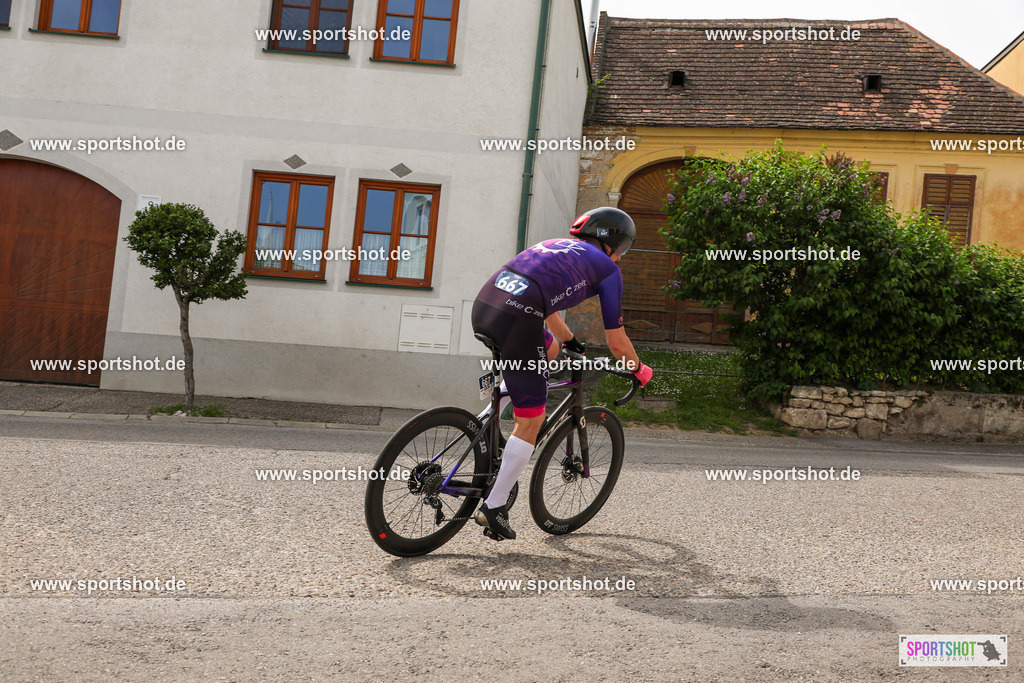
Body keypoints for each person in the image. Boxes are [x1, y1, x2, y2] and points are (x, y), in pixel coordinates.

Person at [470, 207, 653, 540]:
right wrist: (639, 369)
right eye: (623, 248)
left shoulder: (555, 246)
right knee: (531, 420)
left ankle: (486, 421)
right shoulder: (607, 269)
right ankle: (493, 507)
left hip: (485, 306)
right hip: (519, 320)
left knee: (550, 349)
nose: (621, 258)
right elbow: (616, 341)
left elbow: (548, 305)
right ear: (610, 241)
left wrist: (570, 340)